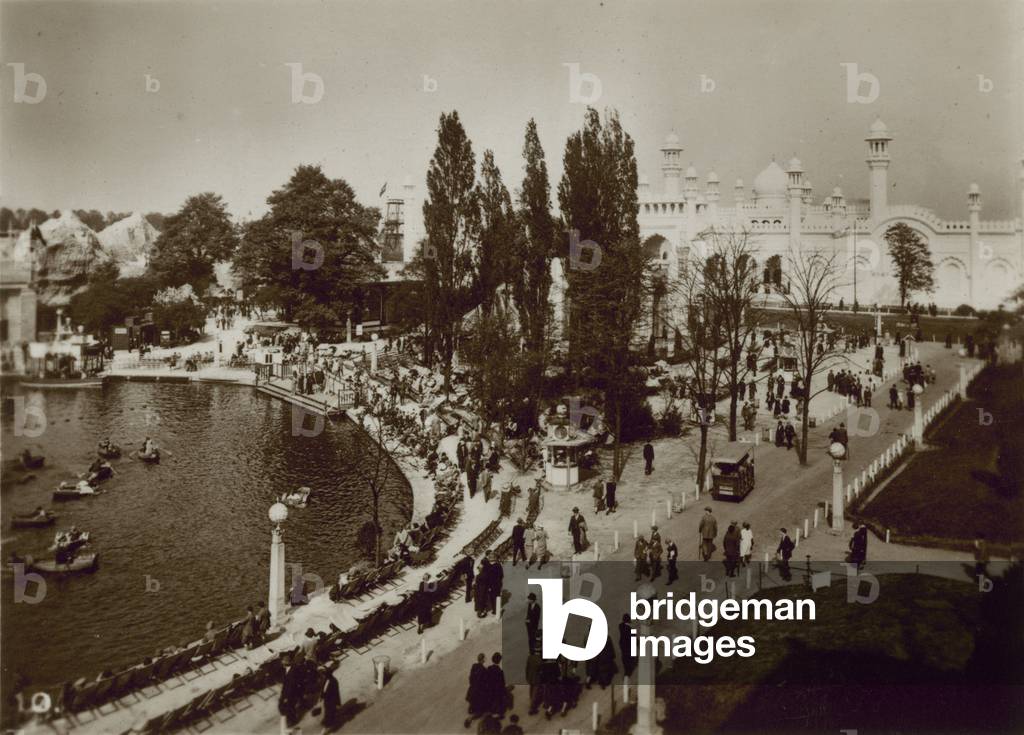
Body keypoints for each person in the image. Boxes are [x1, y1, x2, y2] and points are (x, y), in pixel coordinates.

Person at [465, 653, 488, 727]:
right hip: (479, 693)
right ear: (483, 660)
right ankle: (470, 718)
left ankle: (471, 710)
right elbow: (485, 683)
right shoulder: (484, 670)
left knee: (473, 706)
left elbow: (470, 678)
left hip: (471, 691)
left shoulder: (474, 666)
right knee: (481, 711)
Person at [484, 653, 508, 718]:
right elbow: (502, 684)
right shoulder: (500, 671)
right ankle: (500, 713)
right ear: (499, 661)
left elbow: (486, 679)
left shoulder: (489, 668)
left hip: (489, 690)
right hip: (497, 692)